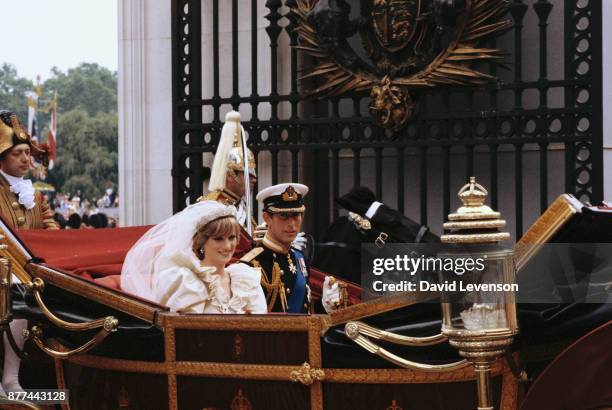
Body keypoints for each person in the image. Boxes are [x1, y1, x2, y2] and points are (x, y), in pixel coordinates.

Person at [121, 201, 266, 314]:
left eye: (232, 237)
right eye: (218, 239)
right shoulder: (185, 281)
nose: (228, 246)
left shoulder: (246, 278)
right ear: (202, 242)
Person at [0, 110, 56, 396]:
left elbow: (52, 230)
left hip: (34, 273)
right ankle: (10, 380)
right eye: (17, 153)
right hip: (5, 275)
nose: (25, 159)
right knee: (18, 301)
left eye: (27, 153)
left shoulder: (36, 195)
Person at [241, 183, 344, 313]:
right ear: (267, 218)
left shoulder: (299, 257)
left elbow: (304, 313)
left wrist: (325, 305)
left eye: (296, 215)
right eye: (283, 216)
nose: (292, 224)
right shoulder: (252, 264)